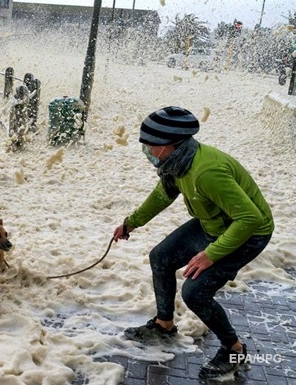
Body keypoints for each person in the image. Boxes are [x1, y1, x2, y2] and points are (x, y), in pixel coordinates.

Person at [113, 106, 274, 379]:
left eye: (150, 145)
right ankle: (164, 324)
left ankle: (233, 349)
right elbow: (162, 196)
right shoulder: (177, 163)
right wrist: (131, 223)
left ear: (169, 145)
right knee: (160, 257)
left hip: (248, 233)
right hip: (213, 223)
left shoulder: (206, 171)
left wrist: (210, 254)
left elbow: (250, 219)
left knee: (195, 293)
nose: (147, 151)